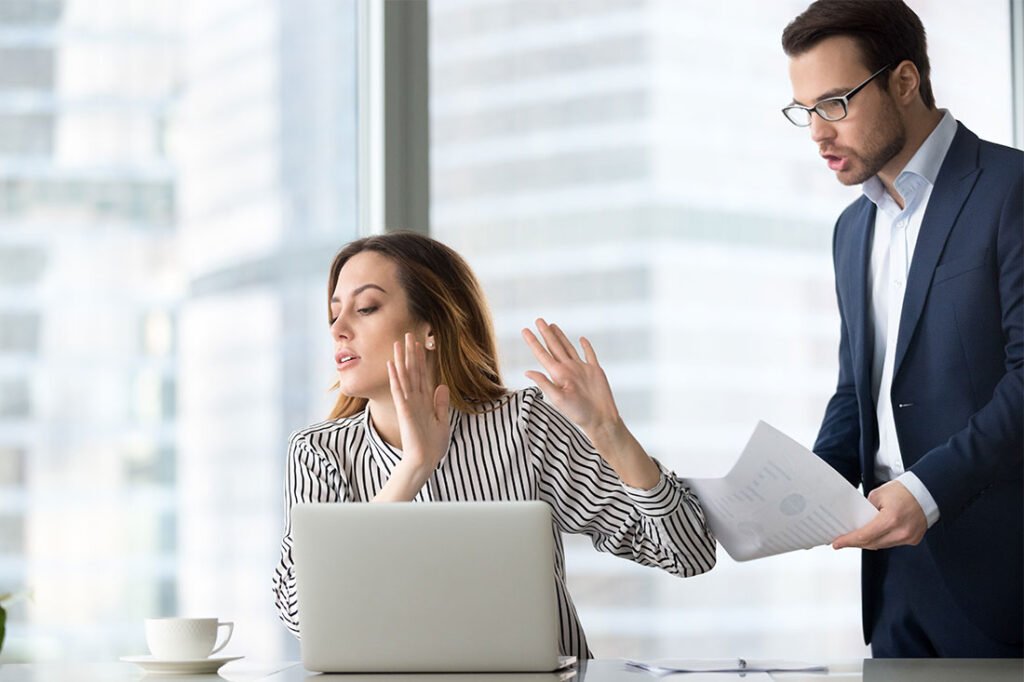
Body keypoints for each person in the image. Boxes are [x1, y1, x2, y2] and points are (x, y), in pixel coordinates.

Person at [271, 231, 716, 659]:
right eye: (334, 313)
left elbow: (688, 552)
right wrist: (413, 468)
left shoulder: (524, 425)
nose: (338, 329)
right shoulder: (319, 452)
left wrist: (608, 430)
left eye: (365, 308)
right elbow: (302, 615)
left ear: (430, 328)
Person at [780, 0, 1022, 658]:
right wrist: (800, 490)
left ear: (905, 82)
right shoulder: (850, 229)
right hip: (892, 577)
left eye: (835, 104)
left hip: (1000, 566)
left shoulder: (1010, 188)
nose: (817, 135)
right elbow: (856, 389)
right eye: (804, 111)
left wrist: (926, 489)